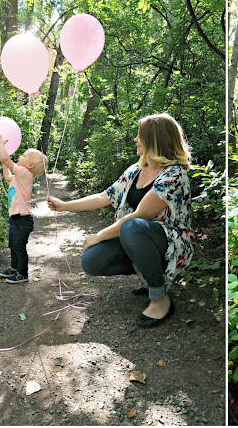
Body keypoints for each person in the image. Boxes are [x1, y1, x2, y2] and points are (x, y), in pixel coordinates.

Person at [47, 113, 194, 329]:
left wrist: (99, 236)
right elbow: (103, 197)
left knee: (131, 227)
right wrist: (64, 205)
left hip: (172, 244)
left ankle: (160, 299)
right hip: (140, 237)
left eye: (139, 135)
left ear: (154, 140)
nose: (135, 139)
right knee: (92, 260)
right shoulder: (135, 170)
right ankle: (149, 277)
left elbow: (139, 216)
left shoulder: (174, 175)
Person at [0, 134, 48, 284]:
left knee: (19, 247)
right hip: (16, 218)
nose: (20, 156)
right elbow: (7, 176)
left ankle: (23, 274)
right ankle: (14, 268)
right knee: (13, 245)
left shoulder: (25, 173)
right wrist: (4, 163)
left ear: (30, 165)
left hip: (22, 220)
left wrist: (0, 145)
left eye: (24, 155)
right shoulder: (19, 175)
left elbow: (7, 160)